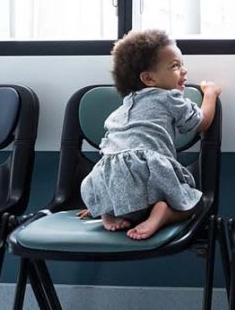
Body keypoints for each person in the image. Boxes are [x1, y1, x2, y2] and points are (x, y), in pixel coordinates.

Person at [78, 29, 221, 241]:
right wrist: (211, 93)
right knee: (194, 202)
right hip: (147, 174)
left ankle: (107, 211)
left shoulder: (125, 106)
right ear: (148, 78)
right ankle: (164, 213)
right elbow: (202, 122)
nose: (184, 70)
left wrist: (101, 196)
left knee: (125, 186)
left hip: (105, 176)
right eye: (175, 66)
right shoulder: (170, 97)